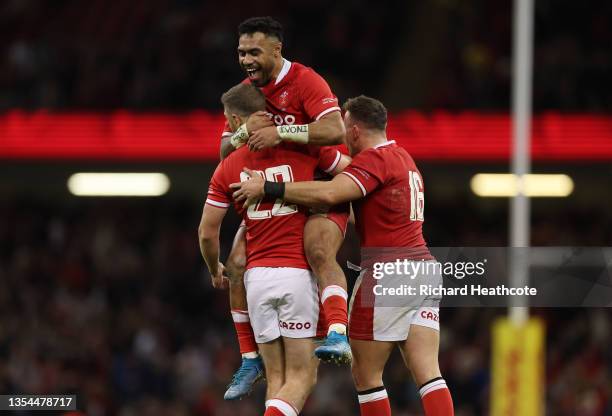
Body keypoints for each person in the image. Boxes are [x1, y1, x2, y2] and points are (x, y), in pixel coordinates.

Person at [231, 95, 455, 416]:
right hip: (424, 270)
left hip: (387, 273)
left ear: (353, 129)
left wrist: (270, 187)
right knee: (428, 373)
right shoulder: (404, 158)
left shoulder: (375, 159)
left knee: (366, 375)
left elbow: (331, 192)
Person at [220, 16, 352, 400]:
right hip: (272, 192)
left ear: (277, 50)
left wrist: (280, 131)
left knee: (317, 251)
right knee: (236, 264)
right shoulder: (245, 92)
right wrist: (246, 131)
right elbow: (224, 151)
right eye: (242, 52)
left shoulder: (306, 82)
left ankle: (338, 334)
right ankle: (249, 357)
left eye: (254, 52)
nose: (246, 59)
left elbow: (335, 131)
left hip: (320, 185)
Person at [199, 83, 346, 416]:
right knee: (302, 377)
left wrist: (213, 268)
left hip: (256, 281)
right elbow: (350, 170)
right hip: (295, 275)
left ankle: (248, 360)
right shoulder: (302, 148)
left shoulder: (228, 166)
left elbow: (207, 232)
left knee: (277, 379)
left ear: (237, 120)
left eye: (226, 121)